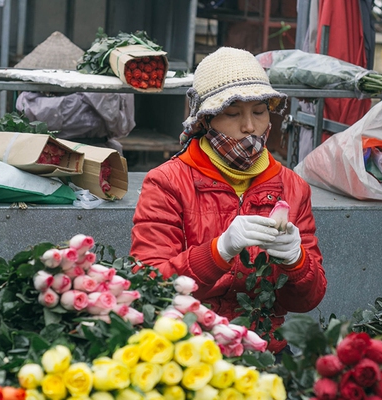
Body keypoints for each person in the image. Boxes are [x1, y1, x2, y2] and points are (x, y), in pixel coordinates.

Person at [130, 47, 327, 354]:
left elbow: (306, 301)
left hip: (264, 348)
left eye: (259, 112)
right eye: (233, 114)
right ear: (206, 121)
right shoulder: (167, 183)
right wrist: (218, 251)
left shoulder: (293, 187)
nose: (249, 126)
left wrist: (296, 262)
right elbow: (149, 287)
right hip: (187, 345)